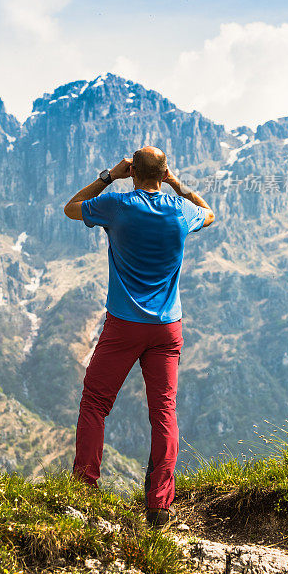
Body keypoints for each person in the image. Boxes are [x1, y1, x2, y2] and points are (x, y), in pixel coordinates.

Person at [63, 146, 215, 528]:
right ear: (163, 174)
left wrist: (108, 176)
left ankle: (85, 489)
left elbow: (71, 207)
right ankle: (159, 505)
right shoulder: (181, 211)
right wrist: (176, 184)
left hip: (124, 324)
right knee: (163, 411)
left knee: (95, 402)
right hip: (167, 328)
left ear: (133, 172)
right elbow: (210, 213)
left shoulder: (116, 205)